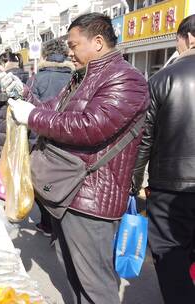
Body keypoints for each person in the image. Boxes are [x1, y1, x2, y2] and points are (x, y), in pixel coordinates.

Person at [2, 13, 149, 303]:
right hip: (68, 191)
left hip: (92, 199)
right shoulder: (80, 78)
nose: (69, 52)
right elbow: (52, 112)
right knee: (74, 274)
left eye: (73, 45)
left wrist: (32, 115)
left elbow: (90, 127)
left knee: (95, 284)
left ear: (97, 42)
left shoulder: (125, 79)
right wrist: (25, 96)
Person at [131, 14, 195, 303]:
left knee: (170, 254)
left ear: (188, 38)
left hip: (170, 187)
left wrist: (134, 181)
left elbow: (145, 139)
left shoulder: (161, 79)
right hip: (173, 185)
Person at [27, 39, 74, 237]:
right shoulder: (75, 77)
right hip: (67, 137)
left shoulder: (38, 78)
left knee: (40, 180)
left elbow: (30, 107)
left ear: (45, 55)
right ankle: (60, 224)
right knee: (64, 180)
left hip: (40, 137)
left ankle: (47, 223)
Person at [0, 49, 29, 162]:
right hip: (22, 123)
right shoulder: (26, 76)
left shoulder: (5, 77)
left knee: (2, 159)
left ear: (4, 63)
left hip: (4, 123)